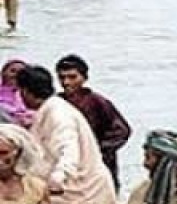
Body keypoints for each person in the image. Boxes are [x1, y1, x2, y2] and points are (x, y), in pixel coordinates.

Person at [15, 66, 116, 204]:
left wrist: (59, 177)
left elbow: (68, 149)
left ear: (25, 91)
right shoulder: (49, 110)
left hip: (80, 194)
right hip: (64, 194)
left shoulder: (58, 114)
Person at [55, 54, 131, 192]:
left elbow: (122, 131)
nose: (66, 82)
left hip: (99, 166)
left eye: (72, 77)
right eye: (62, 77)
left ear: (84, 78)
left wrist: (96, 149)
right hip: (66, 164)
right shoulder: (56, 103)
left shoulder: (98, 102)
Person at [0, 58, 34, 127]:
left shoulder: (30, 95)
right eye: (13, 71)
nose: (16, 75)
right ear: (3, 73)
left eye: (21, 73)